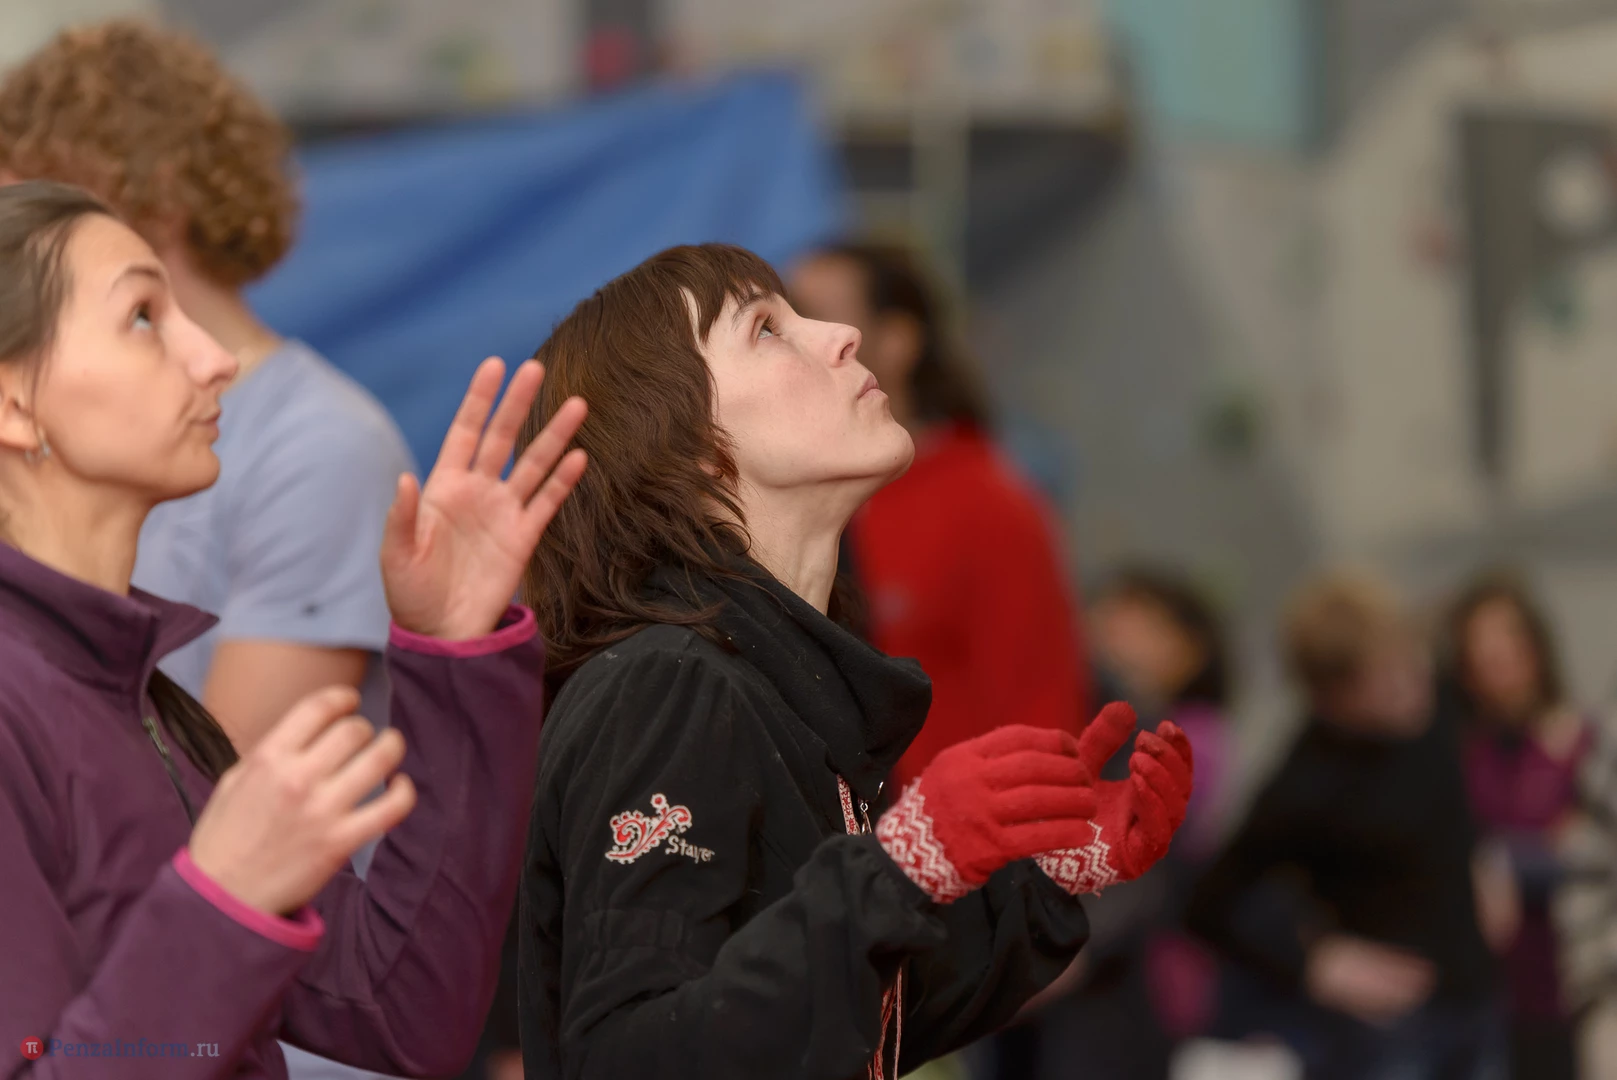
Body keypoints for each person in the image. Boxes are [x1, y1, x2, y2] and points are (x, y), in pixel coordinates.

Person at [513, 243, 1196, 1079]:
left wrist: (1047, 877)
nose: (840, 334)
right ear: (687, 446)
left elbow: (848, 1022)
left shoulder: (771, 680)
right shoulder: (666, 685)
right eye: (766, 329)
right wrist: (899, 869)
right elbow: (627, 1058)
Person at [0, 180, 588, 1077]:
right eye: (144, 317)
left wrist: (456, 652)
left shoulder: (140, 701)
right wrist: (220, 902)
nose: (214, 359)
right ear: (12, 405)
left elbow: (404, 1009)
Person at [0, 19, 414, 757]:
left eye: (34, 199)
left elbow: (228, 791)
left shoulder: (322, 444)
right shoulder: (67, 430)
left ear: (153, 193)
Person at [788, 242, 1091, 794]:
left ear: (897, 341)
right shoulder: (793, 496)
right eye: (782, 321)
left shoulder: (988, 503)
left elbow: (1041, 715)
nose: (799, 339)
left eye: (818, 315)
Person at [1187, 570, 1502, 1080]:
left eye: (1410, 664)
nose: (1410, 687)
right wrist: (1313, 962)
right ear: (1331, 697)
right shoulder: (1306, 780)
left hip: (1476, 1001)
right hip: (1386, 1032)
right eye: (1385, 680)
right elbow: (1208, 901)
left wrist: (1483, 854)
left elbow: (1448, 804)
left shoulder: (1437, 705)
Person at [1444, 572, 1591, 1080]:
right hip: (1491, 995)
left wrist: (1503, 860)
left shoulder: (1582, 744)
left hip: (1572, 978)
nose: (1496, 657)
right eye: (1480, 647)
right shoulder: (1464, 754)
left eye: (1507, 639)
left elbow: (1582, 851)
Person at [1091, 568, 1236, 1047]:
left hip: (1148, 971)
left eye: (1147, 626)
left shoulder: (1196, 736)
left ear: (1192, 653)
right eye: (1110, 616)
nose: (1116, 633)